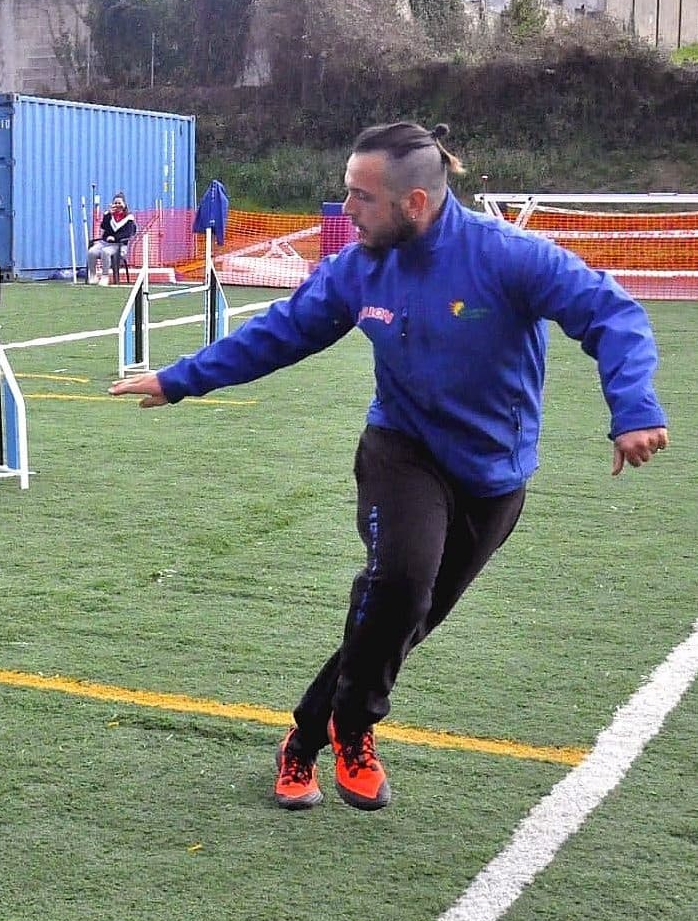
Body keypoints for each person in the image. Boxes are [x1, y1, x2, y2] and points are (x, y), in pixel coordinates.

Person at [109, 122, 669, 812]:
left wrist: (633, 408)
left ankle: (302, 736)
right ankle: (352, 730)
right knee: (398, 582)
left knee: (403, 619)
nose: (345, 210)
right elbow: (280, 332)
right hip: (400, 451)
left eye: (359, 197)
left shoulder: (509, 258)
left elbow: (612, 314)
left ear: (414, 203)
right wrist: (179, 379)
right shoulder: (357, 269)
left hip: (494, 475)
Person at [86, 192, 137, 286]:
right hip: (104, 242)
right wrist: (108, 214)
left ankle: (105, 276)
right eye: (115, 203)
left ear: (124, 204)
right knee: (92, 251)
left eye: (119, 203)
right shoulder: (109, 215)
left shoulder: (129, 217)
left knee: (105, 252)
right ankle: (93, 275)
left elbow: (128, 233)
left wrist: (115, 238)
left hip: (119, 245)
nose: (117, 205)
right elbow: (103, 226)